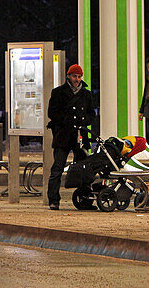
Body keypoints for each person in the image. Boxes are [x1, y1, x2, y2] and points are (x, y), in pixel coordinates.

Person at [46, 63, 95, 210]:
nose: (77, 79)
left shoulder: (86, 94)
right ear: (68, 76)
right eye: (75, 76)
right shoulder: (58, 92)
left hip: (80, 137)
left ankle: (85, 199)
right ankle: (53, 200)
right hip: (63, 136)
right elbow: (52, 113)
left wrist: (84, 122)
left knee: (84, 169)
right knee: (57, 168)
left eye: (79, 76)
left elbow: (92, 114)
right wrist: (66, 120)